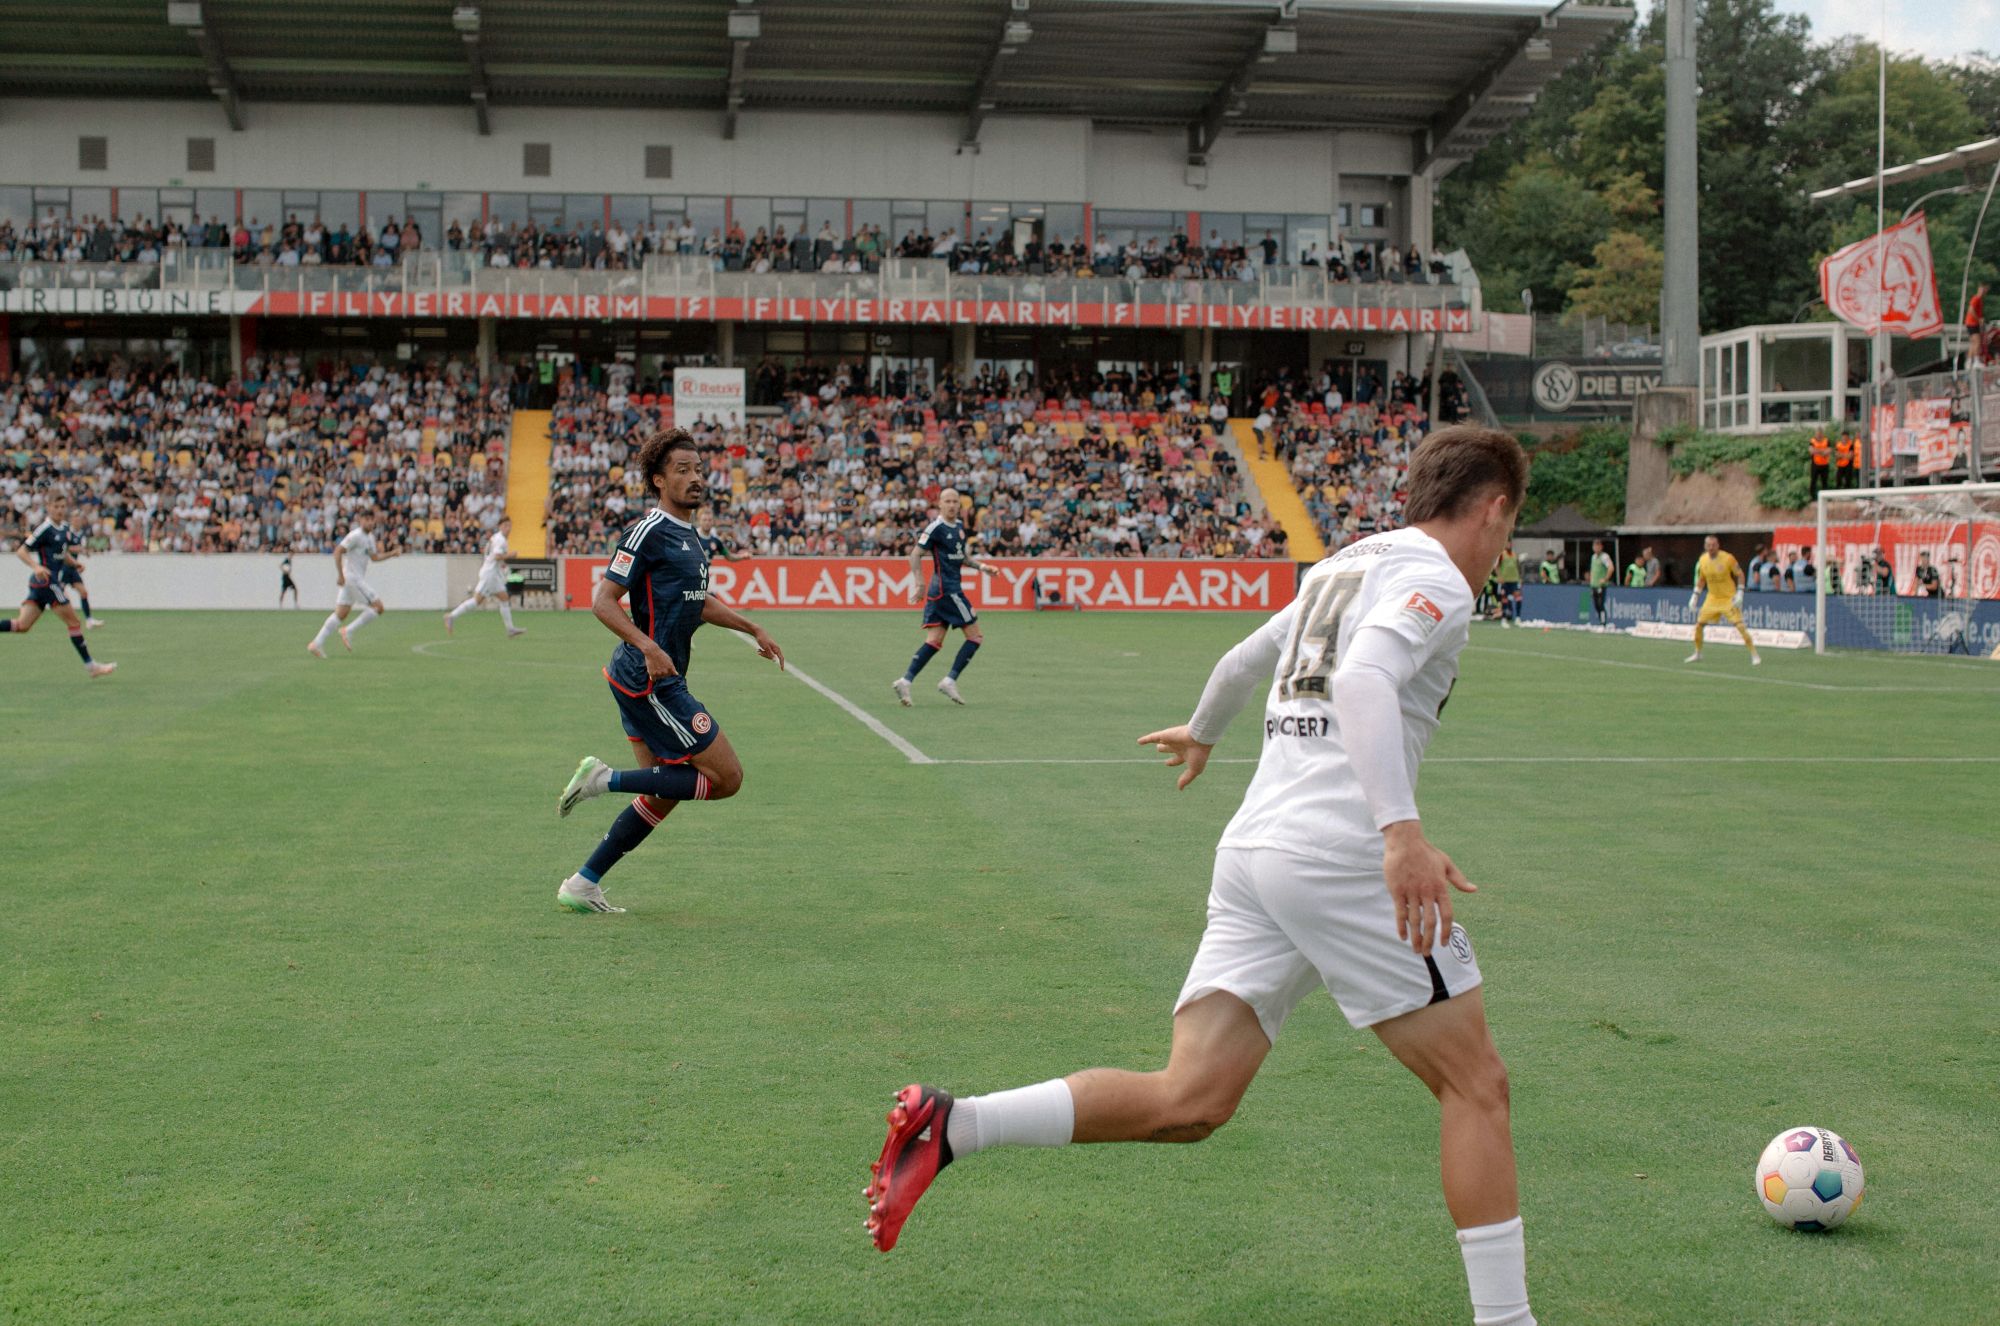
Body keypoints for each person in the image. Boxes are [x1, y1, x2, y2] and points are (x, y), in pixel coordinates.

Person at [864, 426, 1540, 1326]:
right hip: (1338, 859)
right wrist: (1400, 834)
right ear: (1494, 509)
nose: (1501, 552)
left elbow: (1237, 664)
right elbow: (1368, 681)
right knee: (1476, 1084)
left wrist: (1205, 730)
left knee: (1192, 1099)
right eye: (1509, 528)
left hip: (1258, 851)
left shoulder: (1343, 564)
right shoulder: (1437, 581)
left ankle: (956, 1124)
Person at [553, 429, 786, 914]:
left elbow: (696, 604)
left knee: (664, 789)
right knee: (727, 778)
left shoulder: (691, 537)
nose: (695, 477)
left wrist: (751, 627)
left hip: (647, 678)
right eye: (682, 470)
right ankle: (601, 779)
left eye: (699, 469)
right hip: (650, 680)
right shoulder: (648, 530)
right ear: (659, 480)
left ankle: (582, 884)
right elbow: (602, 602)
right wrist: (647, 646)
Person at [892, 487, 1001, 707]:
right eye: (947, 501)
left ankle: (905, 681)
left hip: (941, 591)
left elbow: (961, 557)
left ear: (959, 505)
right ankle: (949, 680)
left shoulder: (959, 527)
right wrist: (919, 582)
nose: (952, 505)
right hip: (947, 589)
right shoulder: (936, 528)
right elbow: (914, 554)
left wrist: (981, 567)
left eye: (955, 502)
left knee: (934, 641)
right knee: (975, 636)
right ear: (940, 504)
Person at [1, 495, 117, 676]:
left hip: (42, 583)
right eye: (56, 506)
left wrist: (74, 563)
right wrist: (36, 566)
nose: (60, 510)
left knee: (22, 625)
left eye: (63, 506)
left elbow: (61, 553)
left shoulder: (64, 528)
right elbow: (21, 551)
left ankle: (91, 666)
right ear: (49, 507)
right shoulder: (45, 529)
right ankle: (91, 666)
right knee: (74, 622)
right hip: (47, 581)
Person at [308, 509, 399, 657]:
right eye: (367, 519)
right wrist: (340, 575)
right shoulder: (355, 536)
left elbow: (374, 558)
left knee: (341, 614)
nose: (370, 522)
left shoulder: (369, 537)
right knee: (378, 607)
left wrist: (392, 554)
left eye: (372, 519)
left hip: (353, 579)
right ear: (360, 520)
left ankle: (316, 643)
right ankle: (347, 631)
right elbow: (338, 551)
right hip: (352, 579)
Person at [444, 515, 527, 638]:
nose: (508, 528)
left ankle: (510, 629)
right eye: (505, 526)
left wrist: (501, 565)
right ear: (500, 526)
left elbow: (493, 556)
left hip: (492, 573)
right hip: (490, 575)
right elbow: (497, 556)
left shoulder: (496, 538)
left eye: (509, 525)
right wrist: (510, 555)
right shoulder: (501, 540)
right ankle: (451, 616)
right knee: (477, 601)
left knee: (504, 598)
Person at [1684, 534, 1760, 665]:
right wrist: (1695, 596)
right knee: (1699, 625)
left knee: (1740, 626)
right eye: (1708, 545)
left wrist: (1740, 593)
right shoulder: (1702, 560)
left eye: (1714, 545)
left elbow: (1740, 575)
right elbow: (1702, 579)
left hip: (1728, 598)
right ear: (1705, 546)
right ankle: (1697, 653)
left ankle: (1754, 654)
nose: (1711, 547)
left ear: (1718, 545)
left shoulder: (1727, 558)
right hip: (1712, 599)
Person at [1587, 539, 1614, 627]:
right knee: (1596, 605)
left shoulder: (1604, 557)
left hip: (1601, 585)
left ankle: (1603, 623)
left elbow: (1611, 568)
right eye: (1594, 546)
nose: (1596, 548)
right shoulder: (1593, 557)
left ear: (1601, 547)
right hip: (1594, 585)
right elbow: (1592, 570)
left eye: (1598, 546)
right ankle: (1600, 621)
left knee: (1600, 604)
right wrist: (1590, 582)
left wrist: (1605, 579)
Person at [1493, 543, 1521, 628]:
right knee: (1504, 600)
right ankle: (1504, 619)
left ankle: (1518, 618)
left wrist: (1520, 578)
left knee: (1518, 599)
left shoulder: (1515, 555)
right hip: (1505, 581)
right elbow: (1496, 567)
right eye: (1507, 544)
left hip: (1514, 580)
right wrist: (1499, 577)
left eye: (1510, 544)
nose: (1509, 545)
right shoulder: (1502, 554)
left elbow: (1518, 567)